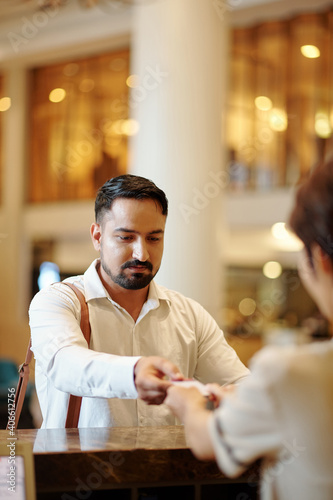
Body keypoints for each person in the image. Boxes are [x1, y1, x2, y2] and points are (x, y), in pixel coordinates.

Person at [165, 161, 333, 500]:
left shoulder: (289, 370)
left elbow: (207, 439)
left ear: (319, 257)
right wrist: (249, 400)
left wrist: (188, 403)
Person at [29, 174, 249, 428]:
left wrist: (232, 398)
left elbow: (239, 384)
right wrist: (133, 373)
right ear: (97, 236)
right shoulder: (57, 300)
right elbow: (65, 364)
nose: (141, 254)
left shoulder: (189, 314)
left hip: (167, 468)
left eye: (154, 238)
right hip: (75, 466)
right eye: (126, 238)